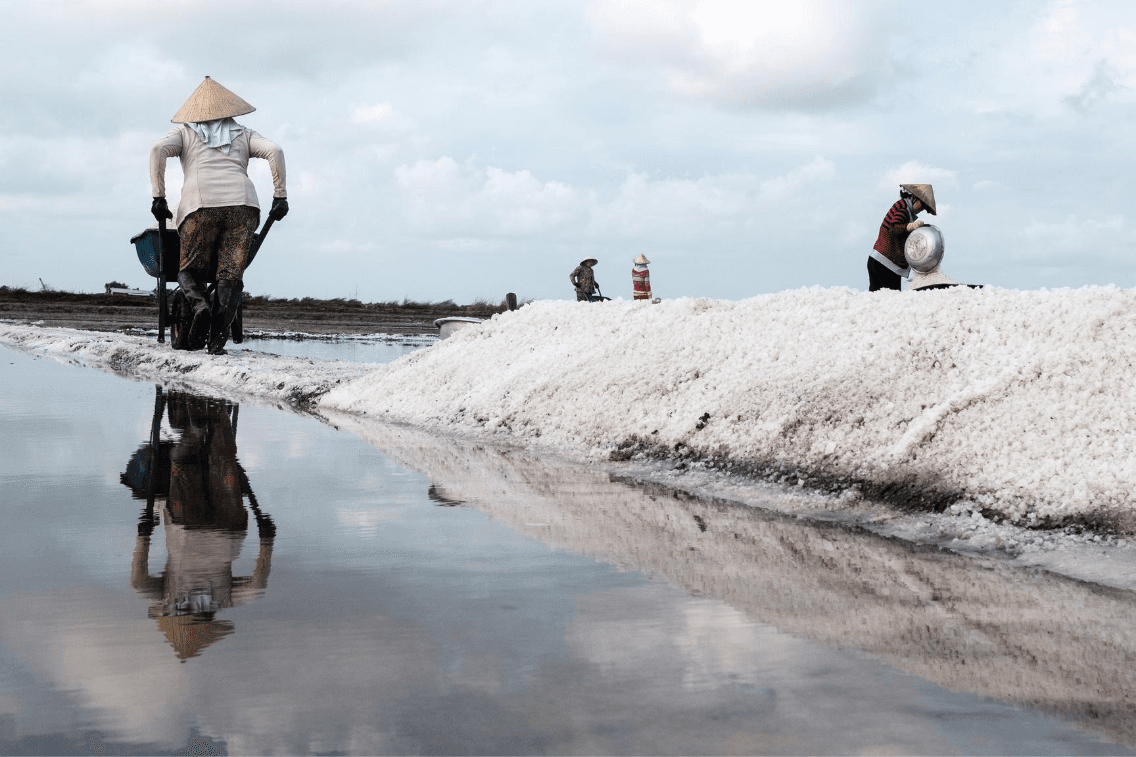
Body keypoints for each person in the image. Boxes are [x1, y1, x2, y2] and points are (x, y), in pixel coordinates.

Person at [150, 76, 289, 354]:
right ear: (228, 110)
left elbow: (157, 150)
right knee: (230, 275)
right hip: (243, 208)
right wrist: (280, 195)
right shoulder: (244, 134)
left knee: (187, 270)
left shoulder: (185, 133)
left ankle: (200, 305)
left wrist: (159, 197)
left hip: (200, 207)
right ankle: (216, 343)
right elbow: (275, 150)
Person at [869, 183, 936, 292]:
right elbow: (893, 228)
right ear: (914, 198)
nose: (921, 209)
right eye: (921, 205)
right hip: (885, 264)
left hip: (879, 261)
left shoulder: (903, 207)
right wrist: (910, 226)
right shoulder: (903, 209)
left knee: (875, 300)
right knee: (891, 301)